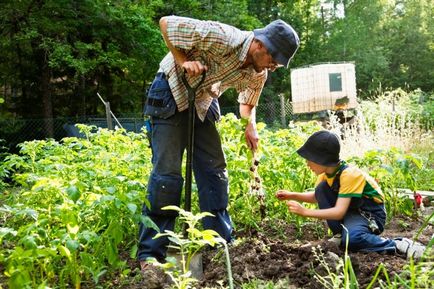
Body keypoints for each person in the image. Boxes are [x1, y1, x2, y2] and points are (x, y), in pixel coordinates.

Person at [138, 15, 300, 270]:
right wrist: (183, 61)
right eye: (273, 59)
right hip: (171, 88)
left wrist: (250, 126)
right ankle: (151, 253)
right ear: (260, 44)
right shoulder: (223, 36)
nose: (273, 66)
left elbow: (247, 102)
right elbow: (166, 23)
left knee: (214, 172)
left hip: (202, 98)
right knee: (167, 176)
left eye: (278, 64)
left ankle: (220, 242)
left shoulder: (258, 74)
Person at [275, 130, 426, 259]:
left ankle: (398, 245)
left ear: (321, 159)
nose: (307, 163)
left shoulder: (349, 174)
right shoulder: (326, 174)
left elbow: (339, 211)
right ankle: (340, 235)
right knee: (321, 189)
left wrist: (305, 212)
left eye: (309, 159)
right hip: (352, 212)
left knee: (353, 240)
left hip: (370, 214)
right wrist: (291, 195)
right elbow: (317, 197)